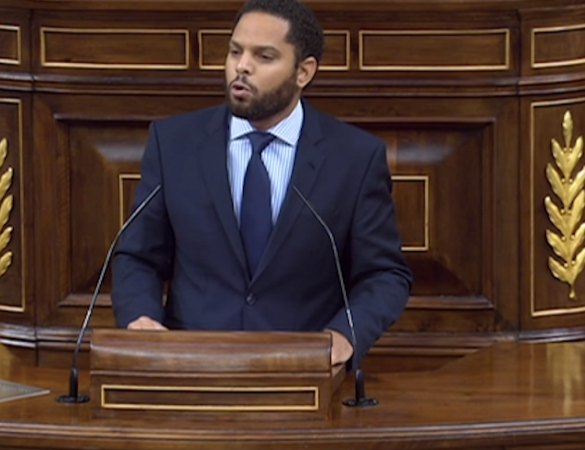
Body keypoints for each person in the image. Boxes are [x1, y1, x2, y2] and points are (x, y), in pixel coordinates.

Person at [111, 0, 412, 366]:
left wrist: (345, 334)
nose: (242, 66)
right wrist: (140, 317)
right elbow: (138, 256)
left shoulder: (354, 157)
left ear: (303, 72)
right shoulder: (174, 144)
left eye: (264, 57)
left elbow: (384, 274)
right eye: (235, 51)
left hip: (304, 372)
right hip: (192, 366)